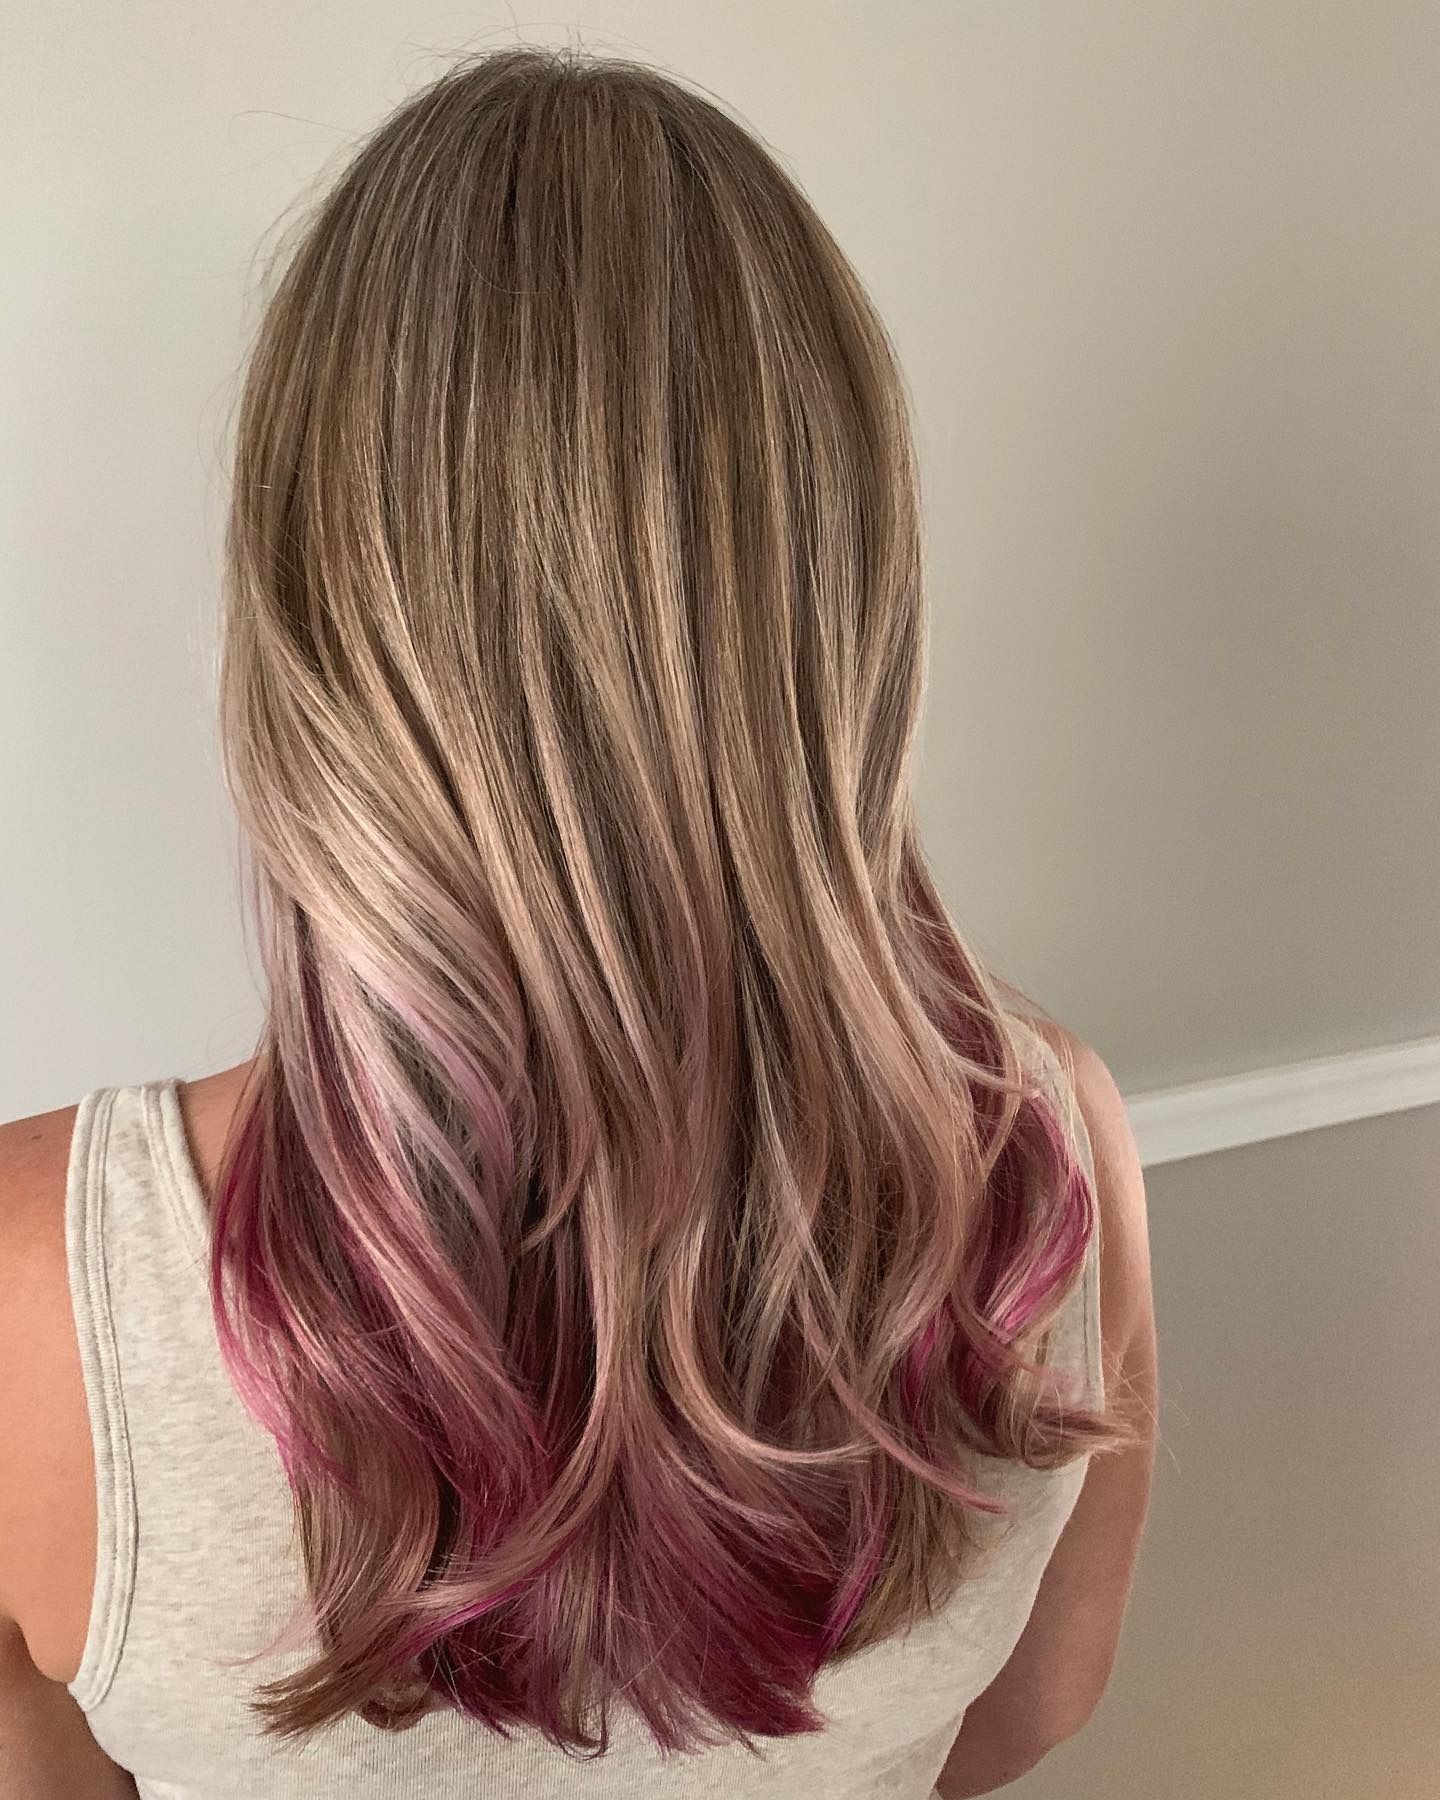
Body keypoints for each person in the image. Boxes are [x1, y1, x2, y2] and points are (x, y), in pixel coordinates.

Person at [0, 46, 1156, 1800]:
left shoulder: (29, 1298)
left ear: (311, 639)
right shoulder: (1053, 1155)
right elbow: (1026, 1716)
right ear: (844, 613)